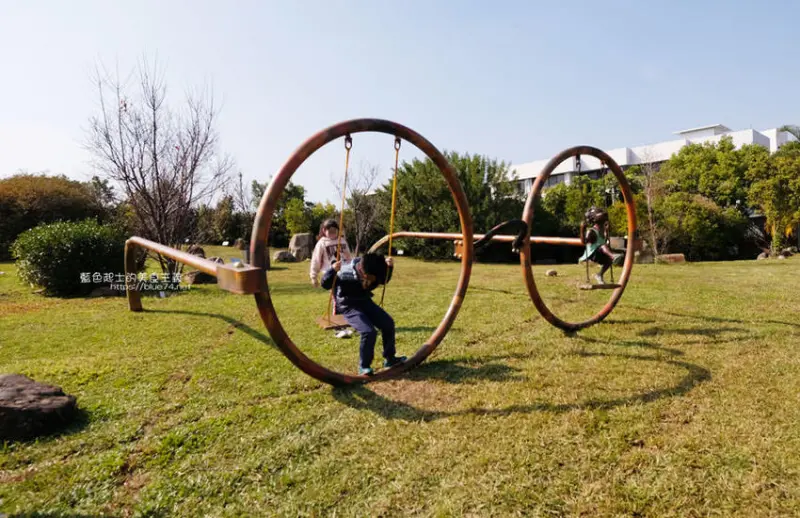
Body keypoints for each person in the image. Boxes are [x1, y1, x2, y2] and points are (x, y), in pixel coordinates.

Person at [320, 253, 406, 376]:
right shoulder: (344, 272)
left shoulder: (373, 268)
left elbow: (384, 280)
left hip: (364, 301)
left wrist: (390, 267)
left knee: (388, 323)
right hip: (348, 305)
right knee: (368, 331)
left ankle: (390, 358)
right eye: (372, 279)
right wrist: (332, 270)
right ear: (364, 274)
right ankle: (364, 366)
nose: (374, 282)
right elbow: (325, 284)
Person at [579, 206, 623, 284]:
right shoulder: (591, 231)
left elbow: (603, 241)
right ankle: (613, 256)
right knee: (602, 246)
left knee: (608, 261)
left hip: (599, 254)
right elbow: (583, 242)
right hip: (591, 255)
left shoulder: (603, 231)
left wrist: (606, 233)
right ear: (594, 219)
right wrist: (582, 230)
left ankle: (599, 275)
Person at [310, 219, 353, 288]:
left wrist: (351, 268)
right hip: (330, 273)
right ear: (324, 230)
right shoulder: (321, 243)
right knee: (336, 292)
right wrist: (313, 277)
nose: (333, 233)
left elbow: (348, 257)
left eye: (334, 231)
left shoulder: (342, 241)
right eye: (330, 231)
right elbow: (316, 260)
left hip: (344, 272)